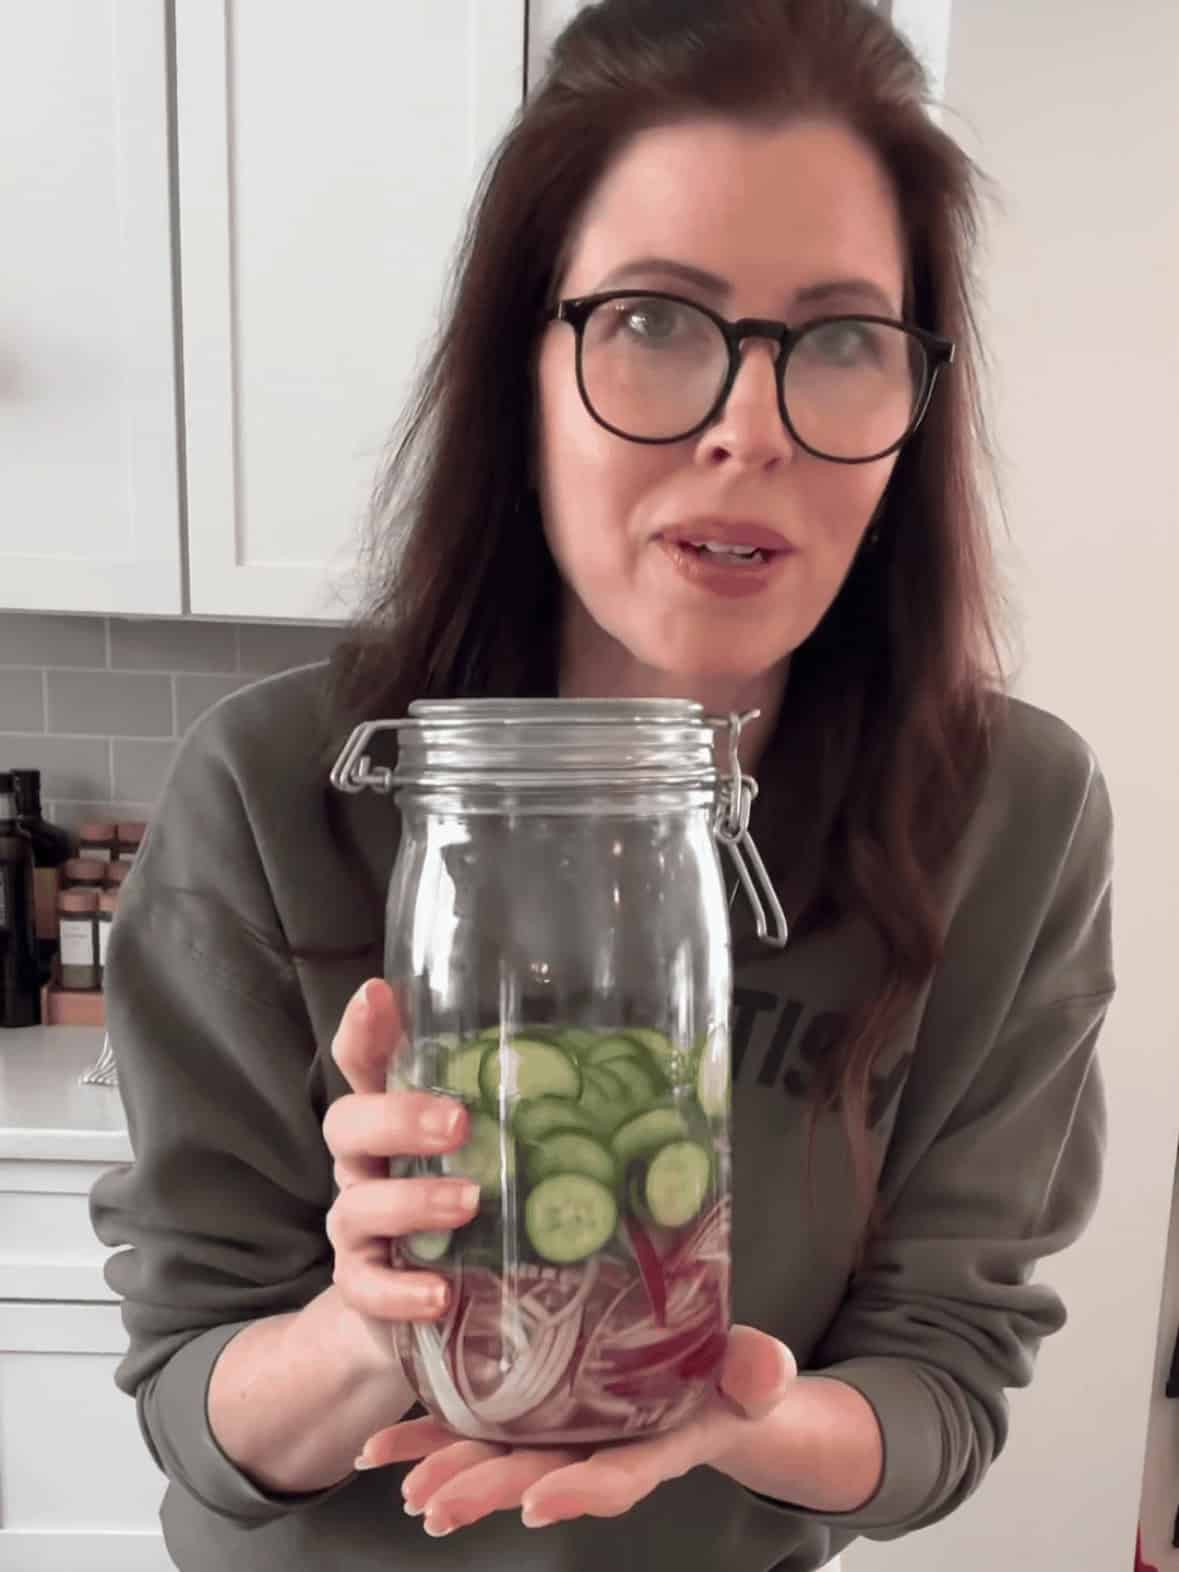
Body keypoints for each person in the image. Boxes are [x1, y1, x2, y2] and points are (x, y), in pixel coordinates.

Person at [89, 2, 1115, 1568]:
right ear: (525, 364)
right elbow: (191, 1402)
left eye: (844, 339)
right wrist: (374, 1322)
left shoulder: (1009, 815)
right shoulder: (281, 784)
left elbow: (948, 1383)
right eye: (652, 319)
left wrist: (741, 1415)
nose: (748, 431)